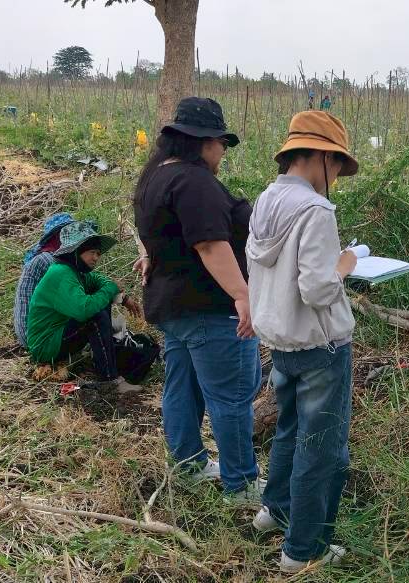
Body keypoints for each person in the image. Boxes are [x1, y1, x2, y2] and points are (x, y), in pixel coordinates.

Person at [132, 96, 263, 503]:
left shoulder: (155, 177)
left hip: (173, 306)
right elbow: (210, 244)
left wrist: (151, 254)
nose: (223, 152)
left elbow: (162, 234)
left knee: (182, 386)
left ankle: (188, 464)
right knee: (231, 394)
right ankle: (240, 483)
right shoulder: (194, 180)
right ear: (205, 142)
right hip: (208, 306)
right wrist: (242, 295)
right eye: (222, 143)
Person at [245, 110, 360, 573]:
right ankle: (304, 549)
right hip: (320, 347)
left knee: (290, 429)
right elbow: (316, 288)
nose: (334, 176)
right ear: (317, 157)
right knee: (323, 445)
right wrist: (346, 265)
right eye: (334, 166)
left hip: (280, 341)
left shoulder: (266, 199)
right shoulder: (315, 209)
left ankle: (275, 510)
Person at [25, 221, 143, 392]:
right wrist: (111, 289)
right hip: (45, 346)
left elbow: (100, 281)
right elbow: (84, 310)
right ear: (75, 252)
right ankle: (109, 379)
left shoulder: (74, 271)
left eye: (98, 253)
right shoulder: (60, 273)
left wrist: (122, 298)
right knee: (94, 316)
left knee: (99, 304)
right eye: (91, 253)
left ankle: (104, 364)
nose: (96, 258)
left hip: (57, 338)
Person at [15, 212, 74, 351]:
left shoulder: (52, 258)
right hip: (34, 337)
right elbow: (77, 294)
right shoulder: (47, 261)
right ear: (59, 237)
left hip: (35, 332)